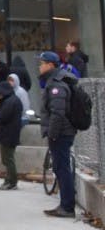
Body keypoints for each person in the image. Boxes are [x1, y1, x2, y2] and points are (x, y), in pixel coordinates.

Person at [37, 51, 78, 218]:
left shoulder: (56, 85)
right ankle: (65, 204)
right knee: (60, 168)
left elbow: (57, 113)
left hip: (61, 133)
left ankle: (67, 207)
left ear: (50, 65)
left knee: (62, 169)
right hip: (61, 132)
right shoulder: (54, 80)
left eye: (41, 63)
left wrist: (52, 134)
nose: (39, 67)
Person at [0, 80, 23, 191]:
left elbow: (2, 118)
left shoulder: (9, 102)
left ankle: (12, 182)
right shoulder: (13, 100)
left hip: (8, 134)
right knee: (7, 159)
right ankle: (8, 180)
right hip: (10, 133)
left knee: (8, 159)